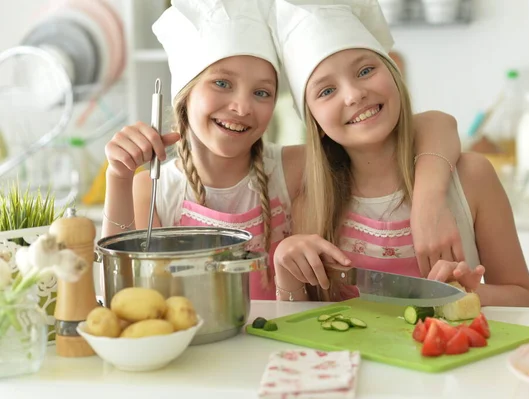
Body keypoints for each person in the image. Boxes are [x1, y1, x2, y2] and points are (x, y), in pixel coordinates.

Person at [102, 0, 465, 300]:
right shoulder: (154, 187)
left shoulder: (294, 168)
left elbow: (434, 124)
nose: (242, 106)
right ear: (185, 92)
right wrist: (118, 177)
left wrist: (429, 201)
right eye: (223, 83)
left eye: (262, 92)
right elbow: (118, 297)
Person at [270, 0, 529, 307]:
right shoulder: (310, 200)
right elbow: (302, 324)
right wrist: (286, 273)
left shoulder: (473, 178)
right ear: (313, 120)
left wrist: (469, 295)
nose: (354, 94)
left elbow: (524, 299)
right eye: (326, 91)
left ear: (395, 74)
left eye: (366, 70)